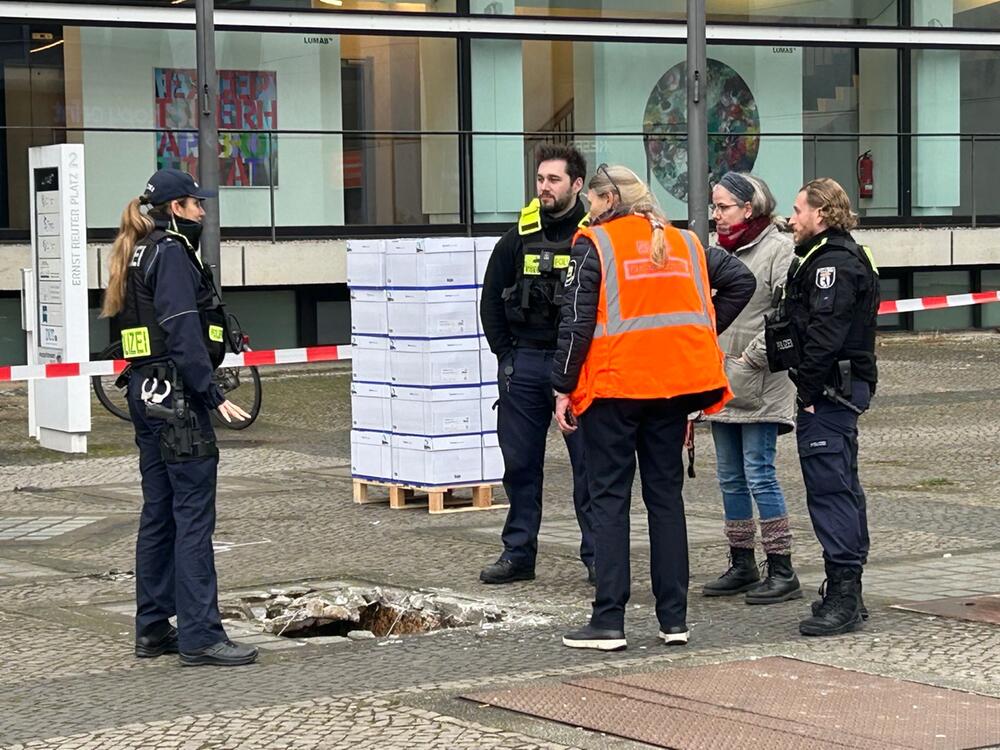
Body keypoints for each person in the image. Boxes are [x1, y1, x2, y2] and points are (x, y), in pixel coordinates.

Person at [552, 164, 756, 651]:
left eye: (591, 203)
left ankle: (608, 621)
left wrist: (562, 386)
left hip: (615, 390)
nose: (587, 212)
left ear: (606, 200)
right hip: (673, 389)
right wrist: (701, 332)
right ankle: (674, 620)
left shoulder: (594, 245)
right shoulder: (686, 243)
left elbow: (575, 324)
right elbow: (740, 283)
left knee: (609, 500)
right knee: (665, 501)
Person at [101, 168, 257, 666]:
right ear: (174, 209)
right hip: (178, 402)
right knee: (192, 518)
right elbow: (182, 327)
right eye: (195, 204)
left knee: (159, 513)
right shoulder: (168, 253)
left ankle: (151, 630)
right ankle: (200, 636)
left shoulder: (135, 251)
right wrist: (209, 393)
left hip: (146, 395)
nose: (203, 212)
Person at [479, 145, 595, 586]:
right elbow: (491, 299)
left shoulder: (593, 234)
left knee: (589, 467)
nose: (544, 188)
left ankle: (597, 557)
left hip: (580, 368)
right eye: (541, 179)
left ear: (577, 184)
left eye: (554, 180)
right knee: (521, 465)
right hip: (524, 363)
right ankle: (518, 554)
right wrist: (506, 357)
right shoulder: (518, 236)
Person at [768, 177, 879, 637]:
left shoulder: (831, 265)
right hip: (837, 391)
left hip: (829, 394)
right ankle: (845, 585)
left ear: (822, 213)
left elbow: (825, 338)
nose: (792, 219)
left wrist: (808, 395)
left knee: (831, 492)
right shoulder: (840, 254)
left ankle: (844, 596)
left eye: (799, 210)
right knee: (844, 488)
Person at [701, 173, 801, 604]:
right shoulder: (715, 249)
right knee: (728, 477)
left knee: (760, 473)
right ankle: (741, 562)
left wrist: (752, 358)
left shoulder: (779, 248)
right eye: (714, 207)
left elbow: (786, 312)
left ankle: (782, 568)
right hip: (720, 379)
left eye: (724, 207)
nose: (716, 215)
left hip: (761, 381)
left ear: (749, 207)